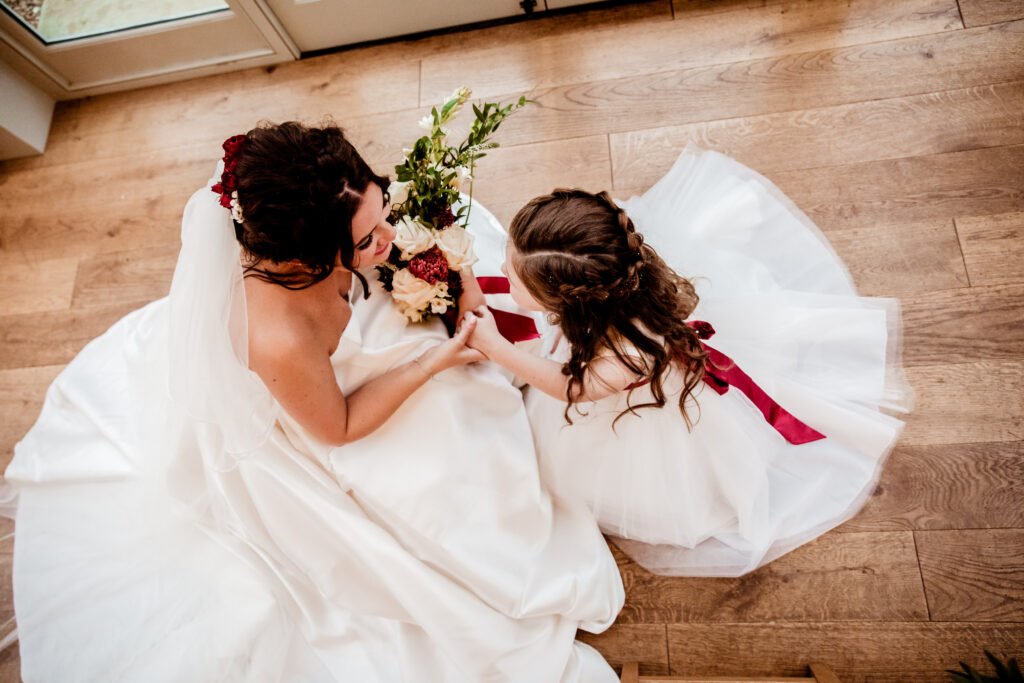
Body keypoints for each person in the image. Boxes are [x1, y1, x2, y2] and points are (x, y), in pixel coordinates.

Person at [2, 122, 624, 681]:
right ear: (307, 256)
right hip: (323, 410)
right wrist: (435, 359)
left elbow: (414, 220)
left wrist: (454, 276)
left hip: (361, 338)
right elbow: (340, 427)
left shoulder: (334, 195)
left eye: (382, 214)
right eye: (367, 238)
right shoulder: (275, 336)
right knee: (453, 480)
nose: (387, 236)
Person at [465, 146, 913, 578]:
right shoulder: (603, 265)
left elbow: (571, 387)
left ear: (572, 302)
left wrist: (495, 347)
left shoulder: (624, 356)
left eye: (514, 276)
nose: (504, 276)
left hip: (630, 413)